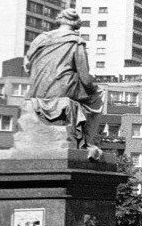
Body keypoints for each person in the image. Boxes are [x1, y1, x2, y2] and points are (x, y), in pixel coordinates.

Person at [24, 8, 105, 155]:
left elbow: (26, 65)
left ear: (59, 21)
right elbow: (85, 77)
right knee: (99, 94)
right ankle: (87, 142)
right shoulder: (76, 42)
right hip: (63, 88)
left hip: (36, 91)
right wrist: (92, 86)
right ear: (76, 25)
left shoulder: (40, 39)